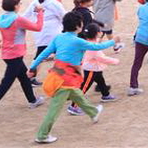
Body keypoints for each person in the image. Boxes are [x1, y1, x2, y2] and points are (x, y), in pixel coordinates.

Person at [27, 12, 118, 144]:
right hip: (67, 79)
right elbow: (97, 46)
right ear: (77, 26)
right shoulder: (78, 41)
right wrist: (113, 41)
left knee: (77, 95)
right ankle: (42, 135)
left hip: (57, 74)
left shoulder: (59, 38)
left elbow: (43, 54)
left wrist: (32, 68)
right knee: (55, 109)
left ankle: (93, 112)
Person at [0, 0, 45, 123]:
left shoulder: (0, 18)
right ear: (15, 6)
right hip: (16, 55)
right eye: (19, 3)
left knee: (24, 77)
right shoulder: (18, 19)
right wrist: (40, 13)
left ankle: (33, 100)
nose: (20, 5)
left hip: (8, 54)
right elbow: (38, 27)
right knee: (6, 84)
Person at [67, 23, 119, 115]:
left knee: (101, 81)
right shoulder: (94, 48)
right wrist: (115, 61)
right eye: (99, 31)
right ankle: (73, 106)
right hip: (90, 70)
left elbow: (97, 42)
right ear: (97, 33)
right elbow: (102, 58)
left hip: (94, 69)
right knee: (84, 87)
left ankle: (106, 95)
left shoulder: (88, 42)